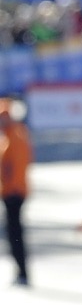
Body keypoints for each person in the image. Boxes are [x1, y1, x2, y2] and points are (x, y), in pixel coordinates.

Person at [0, 101, 32, 286]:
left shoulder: (16, 136)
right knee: (13, 234)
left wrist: (11, 190)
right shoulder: (8, 137)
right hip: (10, 193)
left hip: (14, 194)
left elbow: (16, 169)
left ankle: (22, 272)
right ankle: (20, 271)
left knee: (16, 234)